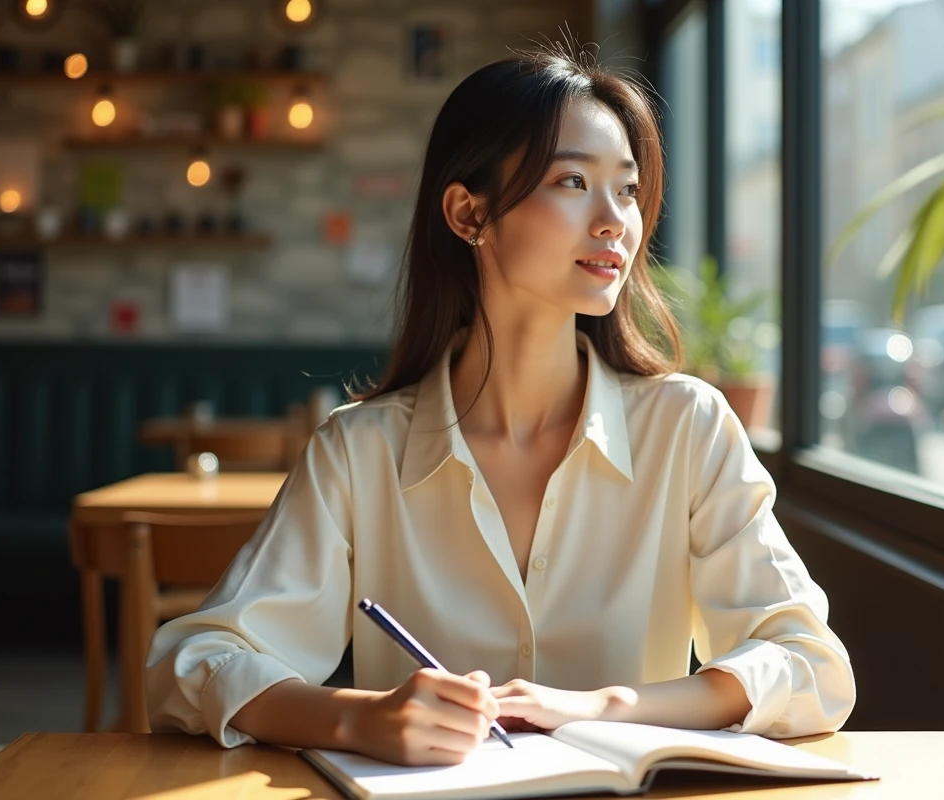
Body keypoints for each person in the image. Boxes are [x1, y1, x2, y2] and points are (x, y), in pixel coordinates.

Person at [146, 42, 856, 767]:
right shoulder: (359, 452)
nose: (615, 220)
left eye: (627, 189)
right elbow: (191, 663)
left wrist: (607, 706)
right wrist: (360, 718)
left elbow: (810, 665)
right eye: (573, 181)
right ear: (469, 213)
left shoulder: (688, 429)